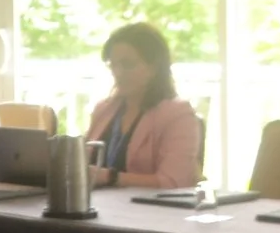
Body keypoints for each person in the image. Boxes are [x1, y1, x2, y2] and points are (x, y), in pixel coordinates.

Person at [84, 23, 203, 190]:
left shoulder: (178, 115)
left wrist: (110, 177)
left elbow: (172, 182)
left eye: (127, 64)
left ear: (154, 68)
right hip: (98, 208)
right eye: (113, 65)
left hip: (150, 213)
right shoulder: (104, 109)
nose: (118, 72)